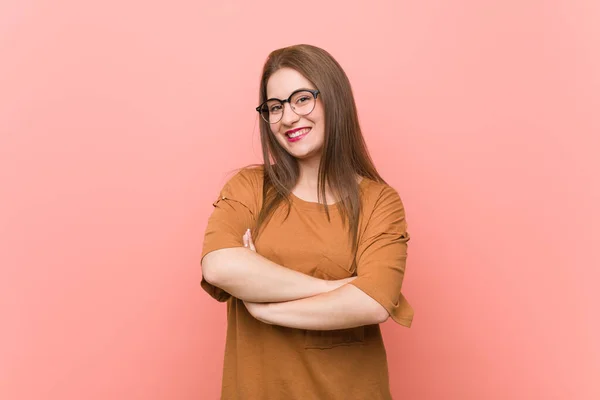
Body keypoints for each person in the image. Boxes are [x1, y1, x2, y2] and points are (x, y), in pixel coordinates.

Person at [200, 44, 414, 399]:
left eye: (301, 99)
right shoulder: (249, 187)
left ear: (334, 99)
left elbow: (371, 305)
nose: (287, 117)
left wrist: (265, 310)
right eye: (275, 107)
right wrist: (341, 288)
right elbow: (220, 267)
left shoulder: (380, 202)